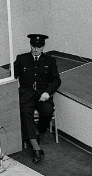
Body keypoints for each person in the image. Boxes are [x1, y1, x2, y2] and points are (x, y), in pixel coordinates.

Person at [14, 34, 61, 163]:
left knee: (47, 111)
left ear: (43, 47)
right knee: (25, 112)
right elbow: (12, 76)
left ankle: (38, 131)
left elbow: (56, 80)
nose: (36, 49)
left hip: (42, 95)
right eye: (34, 46)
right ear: (30, 45)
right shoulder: (22, 59)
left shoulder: (50, 60)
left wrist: (47, 92)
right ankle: (36, 148)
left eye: (39, 47)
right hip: (26, 94)